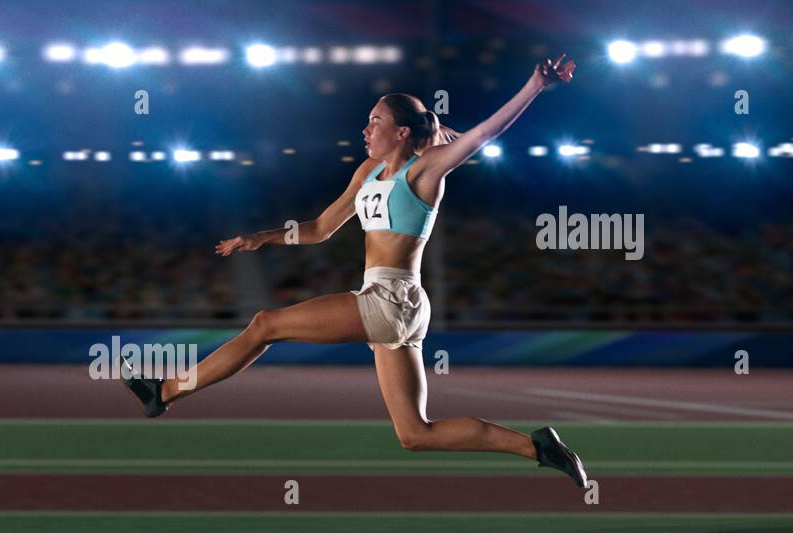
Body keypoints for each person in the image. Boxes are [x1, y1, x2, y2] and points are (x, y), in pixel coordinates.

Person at [122, 53, 587, 488]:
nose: (366, 128)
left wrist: (534, 85)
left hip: (391, 298)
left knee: (265, 324)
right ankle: (538, 446)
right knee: (414, 433)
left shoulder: (424, 172)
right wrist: (263, 236)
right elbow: (322, 228)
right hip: (400, 308)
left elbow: (483, 134)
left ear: (402, 132)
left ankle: (164, 391)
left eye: (376, 121)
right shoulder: (367, 171)